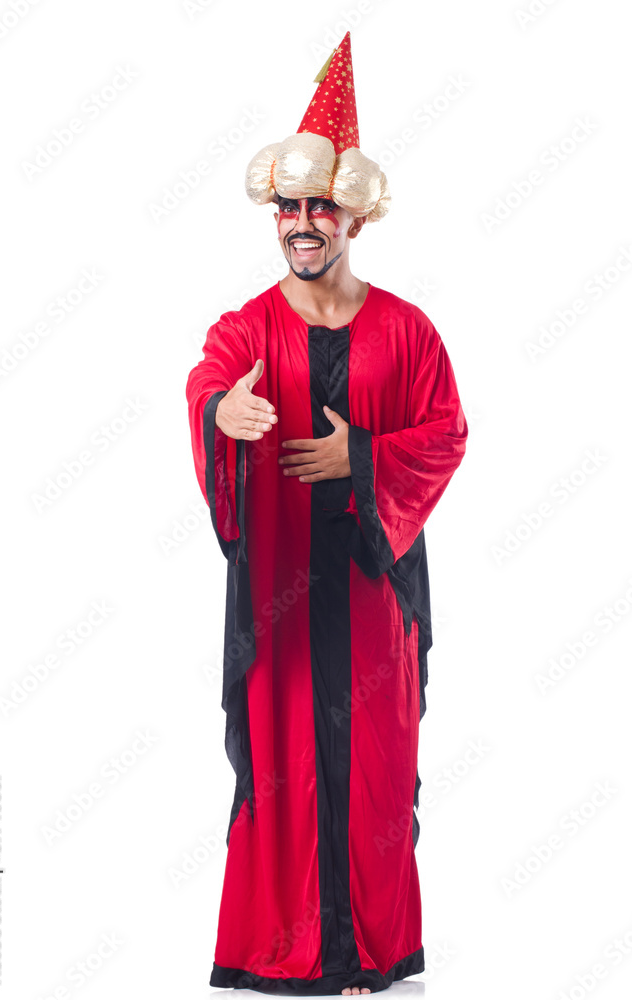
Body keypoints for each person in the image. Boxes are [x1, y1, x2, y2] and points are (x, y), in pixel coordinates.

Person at [185, 31, 468, 996]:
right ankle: (288, 950)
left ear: (354, 216)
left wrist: (361, 458)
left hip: (375, 604)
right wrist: (221, 413)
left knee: (376, 775)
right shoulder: (249, 327)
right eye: (288, 208)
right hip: (282, 608)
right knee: (284, 776)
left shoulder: (408, 331)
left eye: (319, 208)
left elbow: (446, 433)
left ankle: (370, 955)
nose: (302, 223)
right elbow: (210, 375)